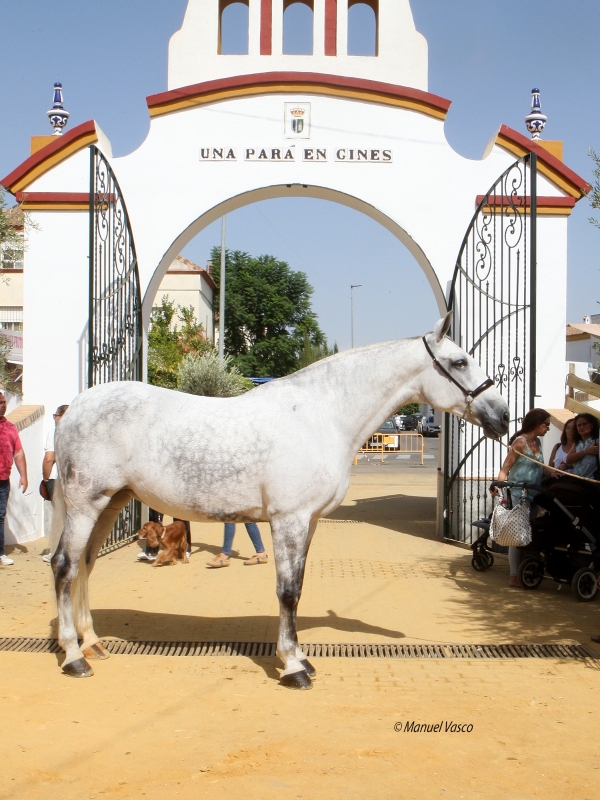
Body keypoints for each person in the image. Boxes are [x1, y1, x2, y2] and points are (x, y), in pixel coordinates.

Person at [490, 408, 555, 588]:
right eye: (547, 425)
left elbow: (540, 467)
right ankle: (513, 575)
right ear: (537, 423)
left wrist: (552, 473)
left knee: (529, 534)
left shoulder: (538, 443)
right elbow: (505, 469)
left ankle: (525, 570)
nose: (548, 428)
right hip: (519, 495)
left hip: (535, 494)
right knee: (517, 535)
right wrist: (498, 484)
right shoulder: (520, 443)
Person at [0, 392, 28, 566]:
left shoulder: (10, 427)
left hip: (3, 480)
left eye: (4, 402)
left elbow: (18, 452)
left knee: (0, 517)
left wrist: (23, 475)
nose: (3, 405)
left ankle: (1, 553)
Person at [41, 405, 69, 563]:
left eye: (55, 415)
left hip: (56, 480)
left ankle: (56, 553)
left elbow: (49, 458)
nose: (54, 418)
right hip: (72, 479)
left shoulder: (55, 432)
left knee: (59, 516)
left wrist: (45, 480)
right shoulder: (75, 431)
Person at [565, 413, 599, 479]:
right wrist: (585, 452)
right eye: (579, 425)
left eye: (584, 424)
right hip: (576, 481)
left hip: (591, 483)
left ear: (592, 425)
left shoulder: (596, 442)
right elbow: (568, 459)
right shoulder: (577, 443)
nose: (582, 427)